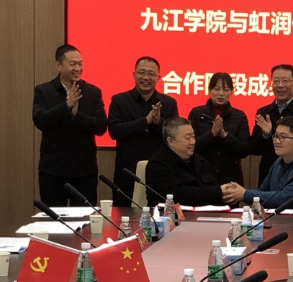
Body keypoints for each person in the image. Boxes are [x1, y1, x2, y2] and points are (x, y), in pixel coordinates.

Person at [32, 44, 107, 206]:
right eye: (73, 64)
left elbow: (101, 126)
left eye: (80, 64)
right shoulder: (44, 90)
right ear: (59, 65)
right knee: (53, 218)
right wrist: (66, 107)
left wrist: (76, 116)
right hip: (52, 170)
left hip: (84, 171)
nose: (78, 68)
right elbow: (40, 120)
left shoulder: (92, 92)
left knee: (84, 219)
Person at [107, 57, 178, 206]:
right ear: (134, 75)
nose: (146, 77)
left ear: (158, 77)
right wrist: (144, 122)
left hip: (160, 173)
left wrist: (159, 122)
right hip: (127, 173)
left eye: (151, 74)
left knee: (160, 216)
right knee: (124, 215)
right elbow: (114, 131)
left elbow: (175, 135)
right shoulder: (120, 100)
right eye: (142, 73)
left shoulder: (169, 103)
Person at [224, 116, 293, 213]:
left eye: (283, 137)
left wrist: (244, 194)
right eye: (276, 136)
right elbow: (263, 191)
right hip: (280, 221)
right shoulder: (278, 163)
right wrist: (238, 192)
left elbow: (284, 198)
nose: (276, 141)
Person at [250, 64, 293, 185]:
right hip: (268, 174)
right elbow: (254, 148)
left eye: (285, 81)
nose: (280, 85)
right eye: (276, 81)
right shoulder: (264, 112)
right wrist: (266, 135)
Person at [144, 117, 228, 207]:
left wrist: (227, 192)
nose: (193, 142)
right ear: (171, 141)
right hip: (169, 215)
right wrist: (219, 191)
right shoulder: (158, 165)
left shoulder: (200, 161)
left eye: (193, 137)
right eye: (188, 138)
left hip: (205, 213)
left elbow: (213, 189)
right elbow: (179, 195)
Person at [188, 73, 249, 186]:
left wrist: (225, 136)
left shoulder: (240, 116)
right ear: (209, 90)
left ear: (232, 92)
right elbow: (190, 146)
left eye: (226, 89)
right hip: (201, 177)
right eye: (216, 89)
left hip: (231, 179)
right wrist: (212, 134)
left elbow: (244, 150)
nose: (221, 93)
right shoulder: (196, 113)